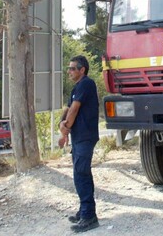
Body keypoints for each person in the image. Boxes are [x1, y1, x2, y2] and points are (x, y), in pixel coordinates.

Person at [59, 55, 100, 233]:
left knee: (81, 173)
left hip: (85, 136)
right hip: (78, 136)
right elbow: (68, 108)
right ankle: (84, 211)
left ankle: (89, 216)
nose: (69, 71)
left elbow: (75, 109)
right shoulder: (77, 87)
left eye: (72, 68)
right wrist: (63, 125)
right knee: (79, 173)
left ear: (82, 70)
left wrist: (66, 127)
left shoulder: (86, 84)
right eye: (69, 68)